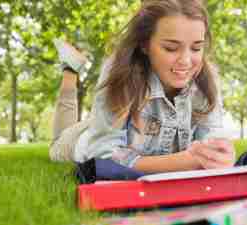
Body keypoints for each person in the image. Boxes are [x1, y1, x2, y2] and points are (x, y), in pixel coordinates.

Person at [49, 0, 236, 174]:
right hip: (83, 141)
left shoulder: (206, 77)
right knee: (57, 145)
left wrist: (220, 154)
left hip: (110, 123)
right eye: (171, 48)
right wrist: (183, 162)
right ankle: (70, 69)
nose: (186, 61)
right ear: (144, 44)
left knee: (98, 122)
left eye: (196, 48)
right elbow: (103, 155)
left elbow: (212, 138)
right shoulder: (121, 71)